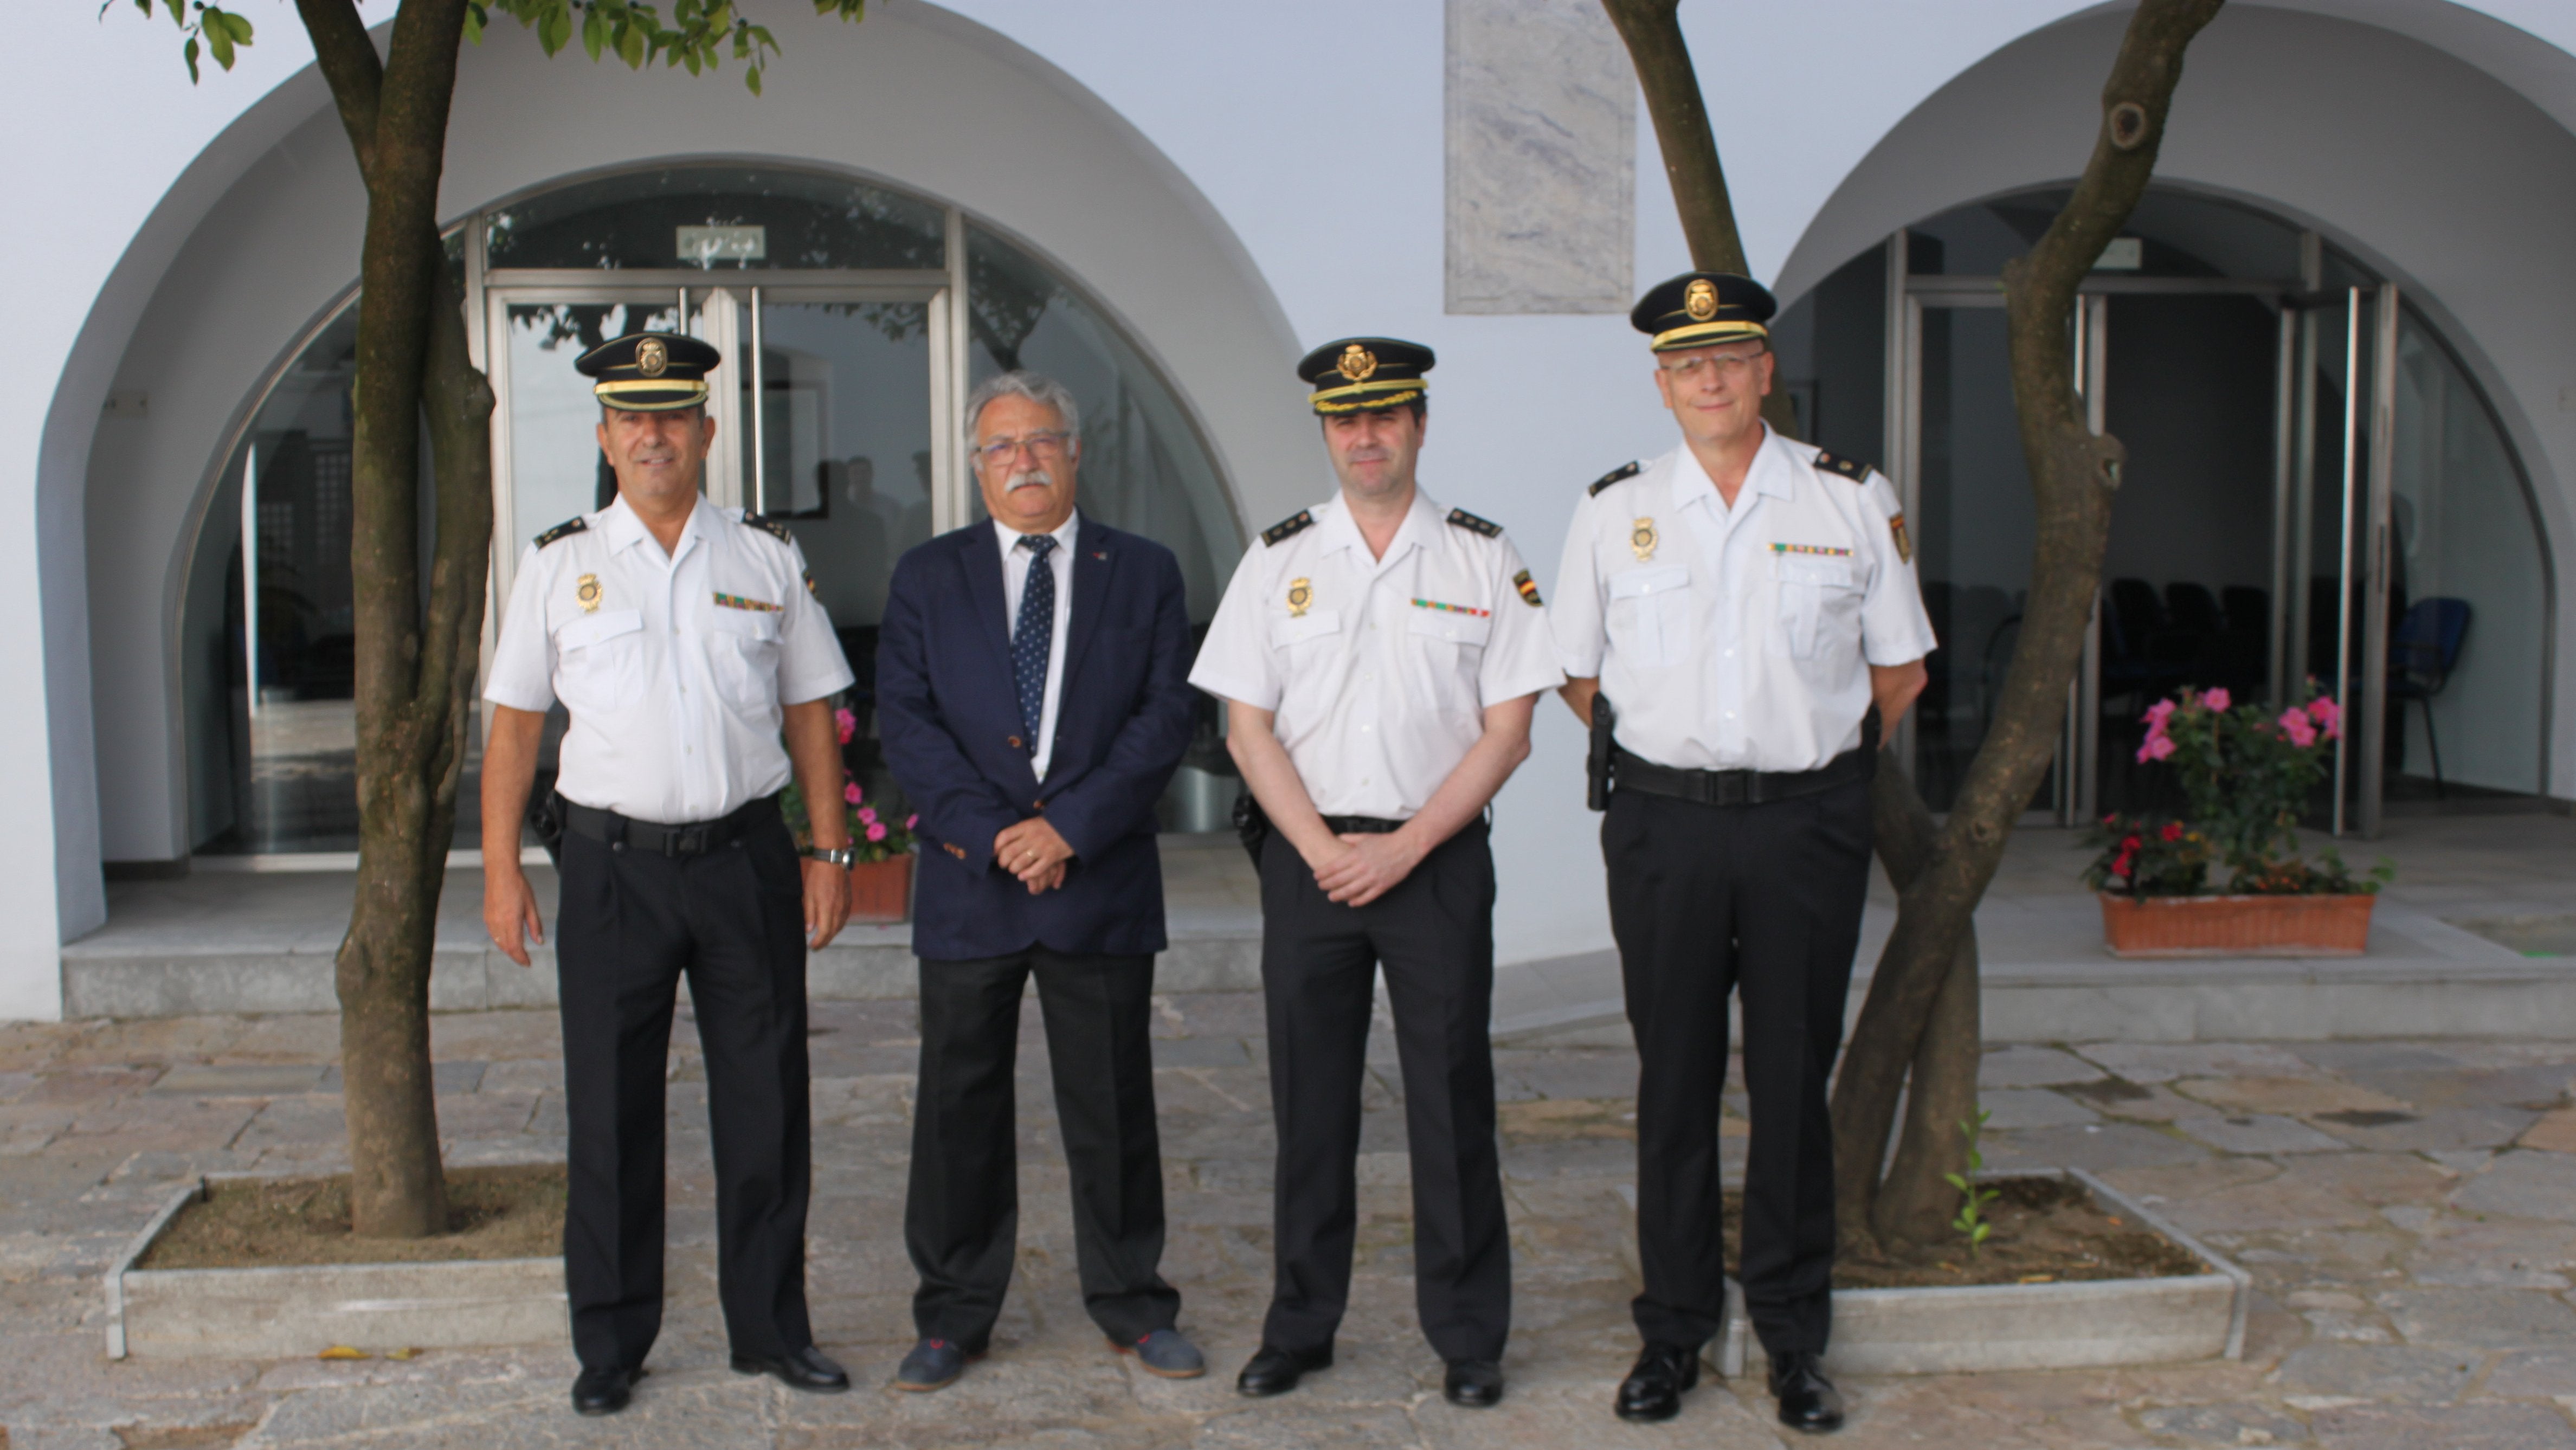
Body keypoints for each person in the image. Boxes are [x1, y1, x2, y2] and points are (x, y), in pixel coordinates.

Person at [1549, 273, 1935, 1435]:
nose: (1709, 378)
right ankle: (1671, 1330)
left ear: (1766, 369)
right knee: (1672, 1083)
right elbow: (1578, 672)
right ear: (1661, 385)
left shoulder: (1850, 499)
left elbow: (1900, 669)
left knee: (1788, 1082)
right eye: (1686, 363)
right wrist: (1675, 762)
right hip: (1664, 827)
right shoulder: (1616, 510)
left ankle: (1790, 1335)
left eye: (1731, 357)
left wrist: (1813, 772)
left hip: (1804, 827)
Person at [480, 332, 860, 1416]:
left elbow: (811, 712)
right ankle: (610, 1344)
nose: (653, 436)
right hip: (610, 872)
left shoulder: (764, 557)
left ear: (704, 431)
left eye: (673, 417)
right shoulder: (560, 565)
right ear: (604, 436)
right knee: (607, 1112)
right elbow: (514, 731)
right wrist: (502, 869)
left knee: (766, 1101)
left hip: (744, 860)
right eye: (631, 419)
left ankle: (772, 1330)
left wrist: (828, 849)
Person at [1190, 338, 1562, 1410]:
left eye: (1387, 416)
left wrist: (1402, 849)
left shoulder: (1483, 557)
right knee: (1312, 1107)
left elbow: (1508, 733)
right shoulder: (1280, 558)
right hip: (1310, 860)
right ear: (1326, 432)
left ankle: (1468, 1338)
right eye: (1347, 420)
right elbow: (1247, 729)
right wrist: (1319, 852)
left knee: (1452, 1101)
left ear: (1420, 425)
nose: (1366, 436)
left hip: (1434, 859)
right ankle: (1301, 1326)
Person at [874, 370, 1203, 1391]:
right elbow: (908, 724)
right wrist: (997, 834)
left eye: (1042, 441)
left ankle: (1134, 1305)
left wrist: (1068, 828)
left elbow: (1164, 720)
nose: (1023, 460)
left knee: (1112, 1107)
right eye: (1002, 446)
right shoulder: (927, 577)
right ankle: (953, 1317)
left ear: (1074, 453)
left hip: (1095, 881)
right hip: (974, 886)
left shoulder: (1142, 572)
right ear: (977, 468)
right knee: (959, 1109)